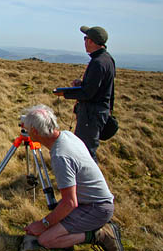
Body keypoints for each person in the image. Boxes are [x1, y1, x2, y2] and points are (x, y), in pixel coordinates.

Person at [23, 104, 123, 250]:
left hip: (96, 208)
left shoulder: (60, 156)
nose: (25, 131)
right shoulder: (67, 135)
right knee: (52, 222)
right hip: (90, 202)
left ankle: (102, 234)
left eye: (26, 128)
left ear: (34, 131)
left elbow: (70, 203)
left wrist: (43, 223)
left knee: (46, 240)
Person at [54, 26, 115, 163]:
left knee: (85, 150)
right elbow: (102, 88)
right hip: (96, 112)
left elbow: (89, 93)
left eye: (86, 38)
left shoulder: (98, 63)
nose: (84, 41)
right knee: (85, 148)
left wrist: (65, 93)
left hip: (91, 114)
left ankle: (89, 182)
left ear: (92, 41)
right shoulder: (106, 59)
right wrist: (81, 84)